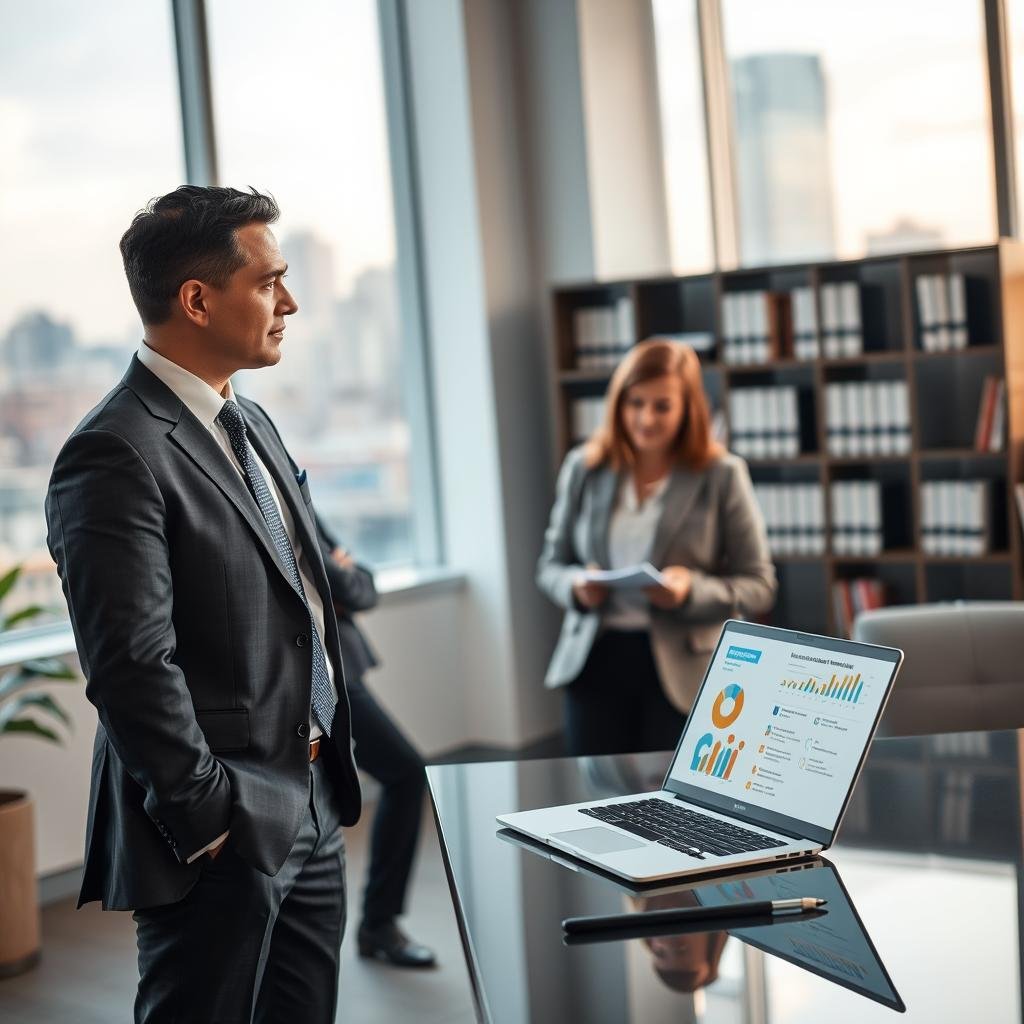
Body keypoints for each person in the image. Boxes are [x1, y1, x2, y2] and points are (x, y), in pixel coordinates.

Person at [45, 185, 361, 1023]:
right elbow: (130, 666)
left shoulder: (248, 420)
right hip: (223, 831)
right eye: (269, 282)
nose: (289, 302)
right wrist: (208, 818)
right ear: (196, 299)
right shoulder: (113, 453)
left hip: (312, 796)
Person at [537, 338, 776, 756]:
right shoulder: (585, 468)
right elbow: (550, 565)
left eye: (662, 406)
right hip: (595, 662)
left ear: (688, 408)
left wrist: (690, 590)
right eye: (635, 403)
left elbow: (759, 585)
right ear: (618, 404)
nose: (646, 418)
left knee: (666, 810)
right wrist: (576, 586)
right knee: (591, 797)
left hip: (681, 670)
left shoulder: (722, 474)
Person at [313, 513, 437, 968]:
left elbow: (362, 587)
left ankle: (377, 926)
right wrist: (336, 575)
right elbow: (340, 581)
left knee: (405, 773)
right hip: (306, 675)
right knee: (404, 772)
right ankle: (376, 925)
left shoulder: (283, 475)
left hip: (336, 669)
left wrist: (338, 577)